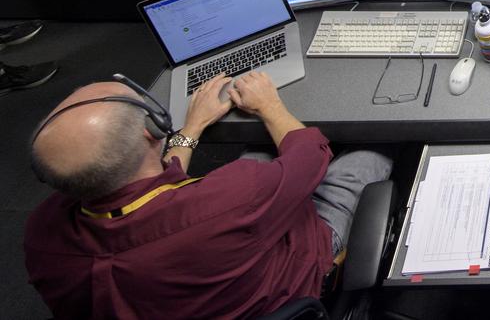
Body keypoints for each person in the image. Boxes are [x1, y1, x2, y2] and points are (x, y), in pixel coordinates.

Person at [25, 71, 392, 318]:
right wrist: (269, 106)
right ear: (154, 130)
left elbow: (147, 187)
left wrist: (194, 126)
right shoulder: (232, 197)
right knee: (372, 149)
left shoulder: (41, 235)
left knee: (259, 151)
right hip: (301, 260)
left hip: (211, 274)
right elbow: (311, 155)